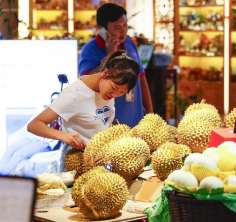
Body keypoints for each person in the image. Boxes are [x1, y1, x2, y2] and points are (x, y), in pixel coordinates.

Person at [0, 51, 139, 176]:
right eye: (114, 88)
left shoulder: (107, 90)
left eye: (121, 93)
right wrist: (64, 136)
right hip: (76, 163)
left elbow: (101, 121)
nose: (114, 94)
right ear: (105, 74)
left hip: (98, 161)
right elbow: (34, 125)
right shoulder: (74, 94)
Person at [79, 3, 153, 127]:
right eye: (117, 27)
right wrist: (109, 56)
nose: (123, 31)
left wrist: (150, 114)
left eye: (125, 25)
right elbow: (86, 84)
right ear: (102, 30)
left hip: (136, 120)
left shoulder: (129, 43)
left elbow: (142, 79)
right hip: (108, 125)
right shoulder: (90, 50)